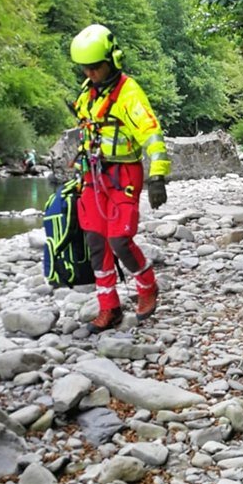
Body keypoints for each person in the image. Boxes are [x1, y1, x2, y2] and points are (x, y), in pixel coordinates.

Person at [69, 23, 170, 331]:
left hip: (123, 172)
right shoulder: (88, 91)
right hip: (93, 173)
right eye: (85, 68)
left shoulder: (129, 94)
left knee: (120, 240)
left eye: (95, 67)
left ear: (112, 60)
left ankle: (147, 285)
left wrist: (157, 177)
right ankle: (109, 307)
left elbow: (152, 135)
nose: (90, 73)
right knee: (96, 241)